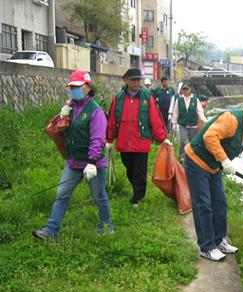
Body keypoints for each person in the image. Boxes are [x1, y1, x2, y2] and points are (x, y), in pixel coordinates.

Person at [184, 93, 243, 261]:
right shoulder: (232, 119)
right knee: (203, 204)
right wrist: (225, 160)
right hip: (196, 162)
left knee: (220, 203)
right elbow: (209, 136)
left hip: (213, 167)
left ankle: (219, 241)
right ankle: (207, 247)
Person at [33, 70, 113, 240]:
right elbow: (60, 131)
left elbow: (98, 138)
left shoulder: (96, 111)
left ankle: (106, 226)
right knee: (61, 195)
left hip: (93, 164)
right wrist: (61, 118)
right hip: (73, 162)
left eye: (77, 87)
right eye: (71, 87)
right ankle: (51, 230)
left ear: (87, 88)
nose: (73, 90)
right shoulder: (70, 107)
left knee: (99, 197)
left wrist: (91, 162)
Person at [106, 68, 170, 207]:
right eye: (133, 80)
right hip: (124, 141)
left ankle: (137, 198)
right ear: (126, 80)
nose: (136, 82)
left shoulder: (147, 97)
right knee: (129, 168)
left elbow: (155, 118)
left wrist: (162, 138)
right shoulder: (119, 98)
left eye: (138, 80)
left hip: (141, 140)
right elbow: (112, 119)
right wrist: (109, 139)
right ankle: (136, 189)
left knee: (140, 170)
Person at [171, 83, 207, 162]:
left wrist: (204, 120)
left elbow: (200, 112)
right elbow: (175, 112)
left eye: (187, 89)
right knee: (183, 140)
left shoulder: (195, 99)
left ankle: (192, 156)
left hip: (193, 125)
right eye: (184, 89)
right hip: (182, 124)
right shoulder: (179, 100)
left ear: (190, 90)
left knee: (193, 141)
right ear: (182, 90)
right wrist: (173, 123)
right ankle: (182, 156)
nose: (185, 91)